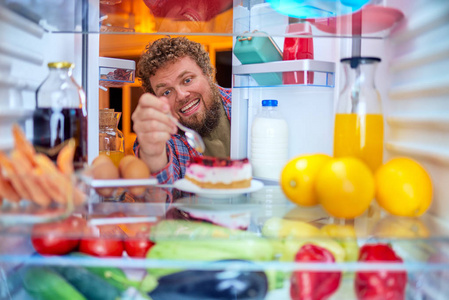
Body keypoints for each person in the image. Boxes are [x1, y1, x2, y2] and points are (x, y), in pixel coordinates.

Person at [132, 36, 232, 184]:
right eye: (167, 92)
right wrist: (153, 155)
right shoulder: (162, 137)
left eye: (187, 80)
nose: (181, 95)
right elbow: (159, 200)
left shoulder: (245, 103)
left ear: (208, 73)